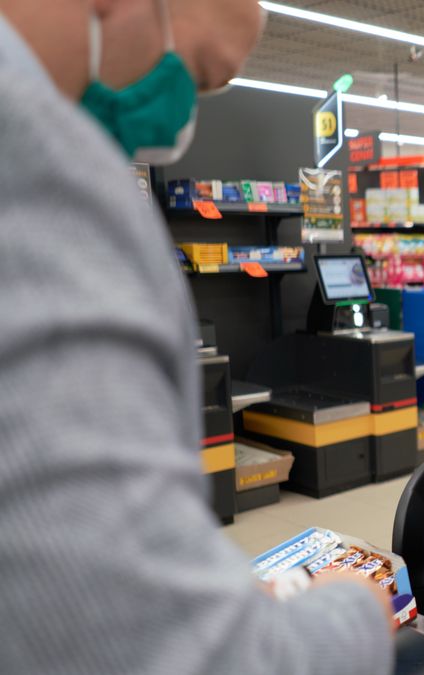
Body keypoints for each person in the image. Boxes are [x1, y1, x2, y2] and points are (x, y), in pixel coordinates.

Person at [0, 1, 396, 673]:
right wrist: (350, 611)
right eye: (197, 75)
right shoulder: (44, 174)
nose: (184, 114)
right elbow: (154, 647)